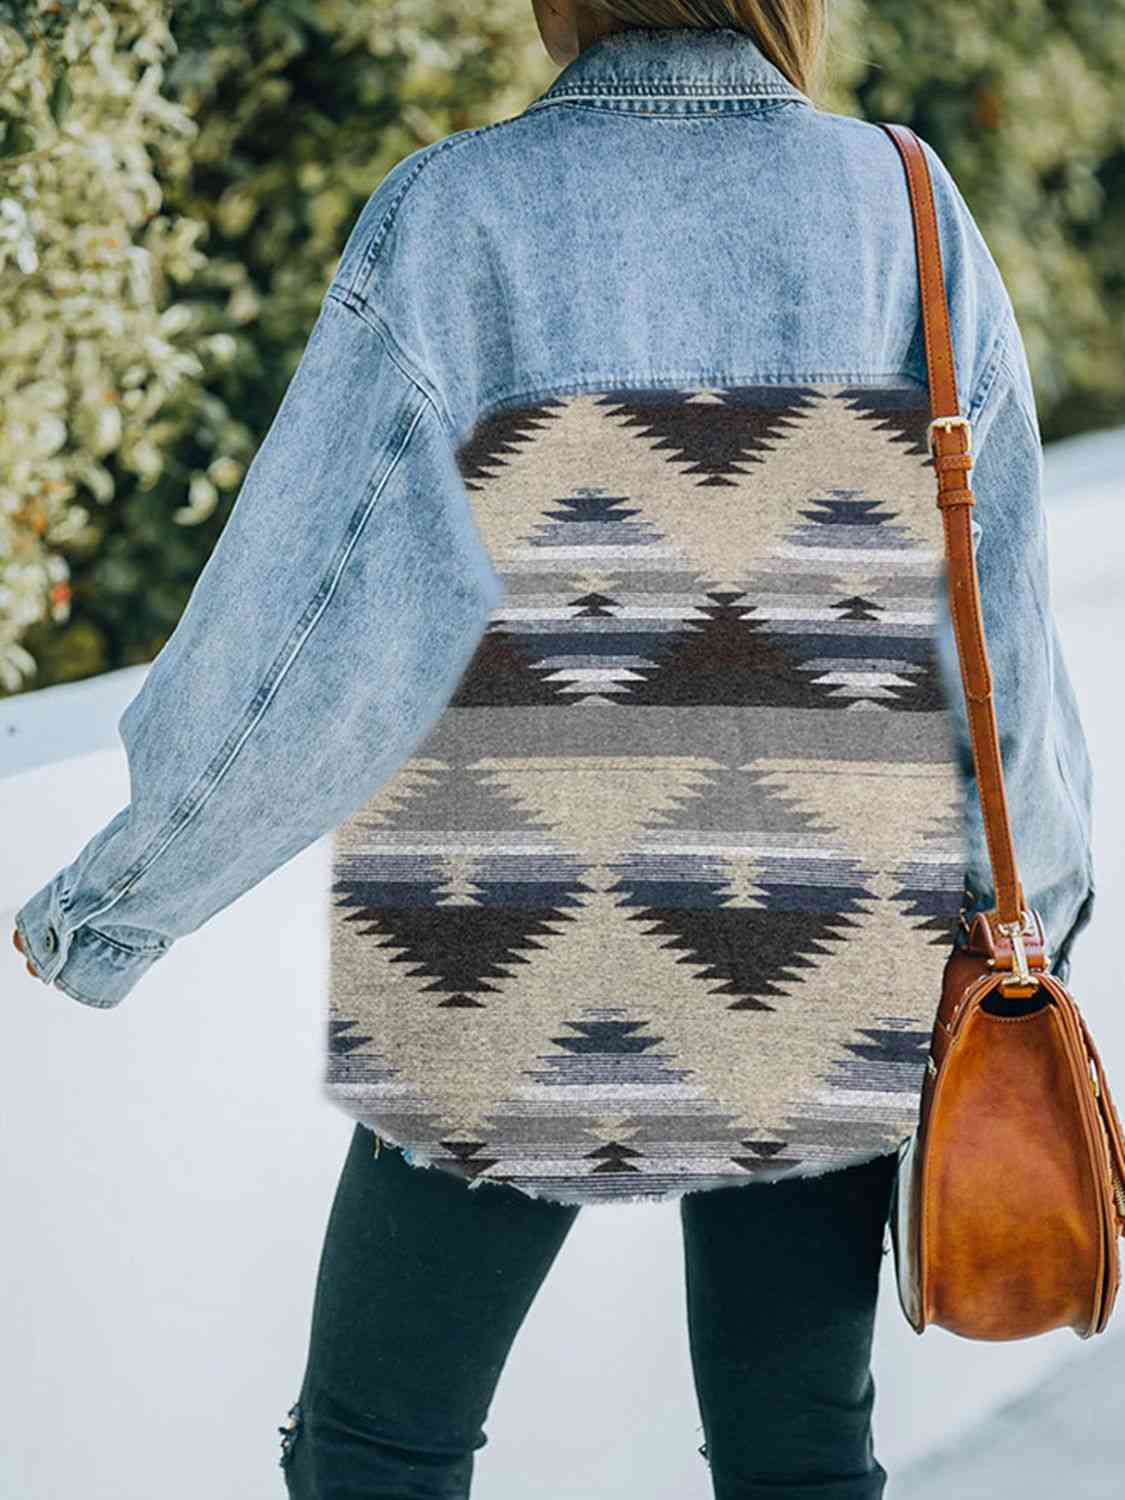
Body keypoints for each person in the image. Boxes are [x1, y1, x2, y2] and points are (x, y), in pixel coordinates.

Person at [14, 3, 1095, 1496]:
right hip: (820, 935)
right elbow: (995, 614)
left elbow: (316, 621)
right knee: (799, 1457)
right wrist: (1034, 912)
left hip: (516, 935)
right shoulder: (900, 202)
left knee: (376, 1447)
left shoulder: (458, 212)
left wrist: (119, 900)